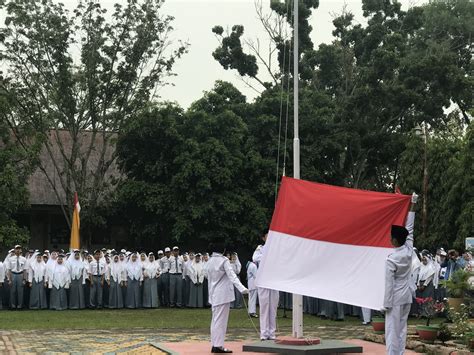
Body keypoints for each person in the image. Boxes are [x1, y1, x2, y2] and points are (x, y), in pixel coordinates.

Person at [383, 192, 417, 355]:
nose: (389, 239)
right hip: (406, 296)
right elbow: (410, 228)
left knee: (391, 331)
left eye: (391, 237)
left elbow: (389, 284)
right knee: (402, 329)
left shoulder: (392, 259)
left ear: (395, 241)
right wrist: (413, 204)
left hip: (395, 298)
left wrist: (386, 303)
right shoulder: (409, 250)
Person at [207, 243, 248, 353]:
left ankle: (215, 344)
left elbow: (209, 280)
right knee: (221, 321)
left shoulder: (209, 261)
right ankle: (218, 345)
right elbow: (232, 276)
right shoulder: (224, 260)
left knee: (215, 320)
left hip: (214, 294)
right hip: (223, 295)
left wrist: (210, 295)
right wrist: (242, 288)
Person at [253, 235, 280, 341]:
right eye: (267, 236)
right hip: (263, 280)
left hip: (274, 280)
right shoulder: (260, 248)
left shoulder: (277, 248)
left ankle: (272, 333)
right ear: (263, 238)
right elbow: (255, 258)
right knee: (264, 307)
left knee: (273, 307)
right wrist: (268, 256)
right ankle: (264, 334)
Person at [6, 245, 26, 309]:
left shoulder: (24, 259)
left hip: (20, 274)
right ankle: (13, 306)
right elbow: (9, 270)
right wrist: (9, 279)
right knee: (13, 291)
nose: (18, 250)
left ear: (20, 250)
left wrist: (24, 279)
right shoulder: (10, 259)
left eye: (19, 249)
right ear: (14, 250)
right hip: (13, 274)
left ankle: (20, 306)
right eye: (16, 249)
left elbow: (24, 270)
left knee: (20, 291)